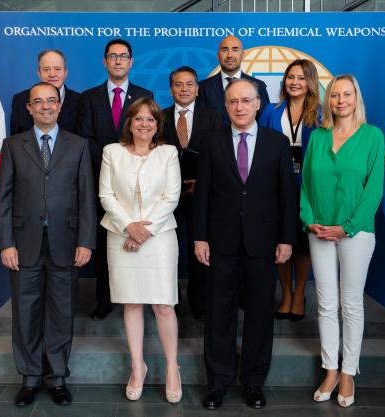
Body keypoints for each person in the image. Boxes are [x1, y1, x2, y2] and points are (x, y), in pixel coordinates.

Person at [193, 78, 296, 410]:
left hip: (263, 243)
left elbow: (287, 196)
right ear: (226, 107)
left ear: (257, 104)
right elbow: (202, 195)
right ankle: (218, 383)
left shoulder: (277, 143)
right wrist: (200, 237)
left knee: (259, 316)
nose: (239, 107)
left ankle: (253, 382)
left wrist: (286, 238)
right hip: (220, 243)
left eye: (245, 101)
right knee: (218, 315)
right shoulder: (211, 143)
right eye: (232, 102)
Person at [0, 81, 97, 407]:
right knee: (25, 311)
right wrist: (6, 243)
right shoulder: (12, 145)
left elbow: (86, 199)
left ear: (60, 105)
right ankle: (30, 377)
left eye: (51, 101)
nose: (46, 107)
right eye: (39, 102)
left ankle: (56, 378)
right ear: (29, 108)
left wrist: (85, 241)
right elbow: (3, 200)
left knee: (60, 310)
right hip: (23, 245)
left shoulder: (78, 145)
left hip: (66, 243)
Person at [300, 74, 384, 408]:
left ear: (356, 98)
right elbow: (306, 184)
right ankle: (330, 369)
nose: (340, 101)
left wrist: (347, 227)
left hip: (356, 232)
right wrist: (309, 221)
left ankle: (349, 372)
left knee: (350, 304)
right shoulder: (318, 137)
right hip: (319, 232)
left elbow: (373, 189)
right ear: (327, 100)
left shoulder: (372, 136)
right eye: (334, 95)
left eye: (346, 95)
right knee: (325, 303)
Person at [99, 97, 182, 403]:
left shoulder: (168, 153)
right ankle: (138, 367)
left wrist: (143, 230)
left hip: (159, 237)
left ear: (158, 125)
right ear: (129, 123)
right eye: (139, 119)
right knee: (131, 304)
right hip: (120, 236)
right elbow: (106, 195)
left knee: (163, 305)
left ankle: (173, 368)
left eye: (151, 120)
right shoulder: (112, 152)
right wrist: (129, 227)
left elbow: (171, 196)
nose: (145, 124)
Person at [77, 38, 153, 320]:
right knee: (106, 238)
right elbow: (86, 138)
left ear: (131, 61)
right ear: (105, 62)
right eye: (113, 56)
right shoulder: (89, 97)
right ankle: (104, 299)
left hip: (138, 185)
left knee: (139, 238)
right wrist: (113, 165)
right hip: (101, 181)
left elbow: (149, 136)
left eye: (123, 56)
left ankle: (139, 299)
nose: (118, 60)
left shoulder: (145, 94)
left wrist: (128, 167)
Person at [259, 59, 320, 322]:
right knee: (279, 242)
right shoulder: (271, 111)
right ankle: (285, 293)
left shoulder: (321, 114)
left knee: (303, 243)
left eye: (301, 78)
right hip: (275, 188)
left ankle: (299, 294)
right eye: (290, 77)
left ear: (310, 82)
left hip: (309, 189)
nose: (295, 82)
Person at [162, 66, 222, 320]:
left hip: (202, 194)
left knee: (200, 249)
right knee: (166, 250)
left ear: (198, 89)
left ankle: (200, 302)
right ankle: (169, 301)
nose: (184, 89)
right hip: (166, 198)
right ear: (171, 89)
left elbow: (220, 157)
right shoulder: (159, 117)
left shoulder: (213, 117)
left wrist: (203, 182)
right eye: (178, 84)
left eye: (189, 84)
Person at [197, 35, 270, 126]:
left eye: (235, 50)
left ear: (243, 55)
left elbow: (264, 122)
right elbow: (199, 124)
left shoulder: (259, 86)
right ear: (218, 56)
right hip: (213, 140)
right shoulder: (203, 88)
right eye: (224, 50)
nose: (230, 55)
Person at [10, 49, 80, 135]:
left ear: (65, 72)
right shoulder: (20, 100)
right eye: (46, 69)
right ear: (39, 73)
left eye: (57, 69)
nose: (52, 74)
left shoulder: (81, 101)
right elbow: (15, 141)